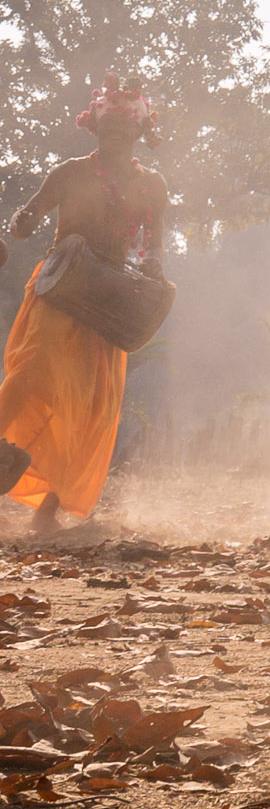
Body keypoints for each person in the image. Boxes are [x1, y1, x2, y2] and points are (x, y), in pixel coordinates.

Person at [0, 78, 169, 534]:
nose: (113, 131)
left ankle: (47, 511)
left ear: (138, 132)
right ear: (93, 126)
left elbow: (155, 246)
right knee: (32, 371)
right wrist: (22, 221)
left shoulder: (151, 184)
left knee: (88, 405)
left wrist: (152, 268)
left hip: (107, 299)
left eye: (122, 126)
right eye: (106, 124)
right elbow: (26, 219)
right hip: (59, 286)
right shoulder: (70, 172)